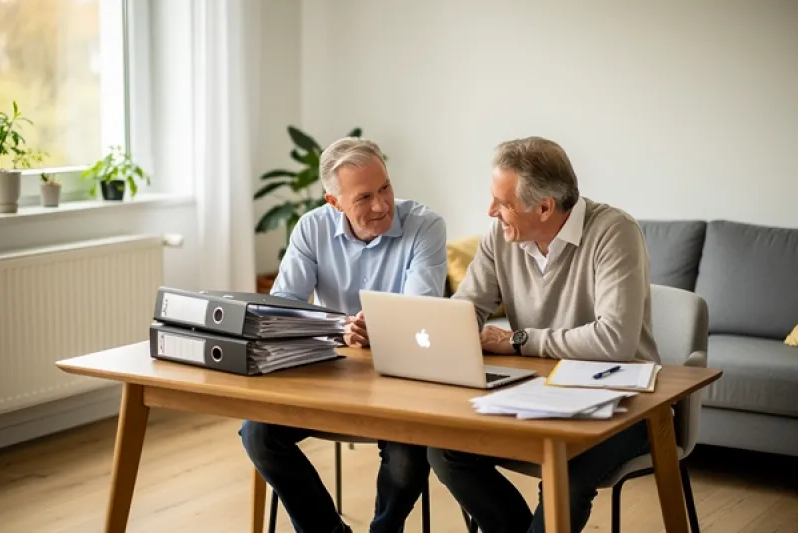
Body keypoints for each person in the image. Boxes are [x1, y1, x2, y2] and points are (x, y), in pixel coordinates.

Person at [427, 136, 660, 533]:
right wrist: (428, 327)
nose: (491, 211)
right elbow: (467, 310)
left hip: (626, 400)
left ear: (545, 207)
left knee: (567, 471)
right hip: (537, 391)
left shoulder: (614, 232)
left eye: (503, 203)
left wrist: (519, 340)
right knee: (446, 450)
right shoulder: (500, 237)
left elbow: (613, 341)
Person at [240, 137, 447, 533]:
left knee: (409, 453)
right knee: (257, 433)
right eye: (364, 197)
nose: (382, 205)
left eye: (385, 187)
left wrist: (382, 330)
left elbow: (422, 314)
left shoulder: (426, 227)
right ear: (335, 203)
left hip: (400, 379)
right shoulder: (311, 229)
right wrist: (340, 328)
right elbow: (282, 309)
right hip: (330, 376)